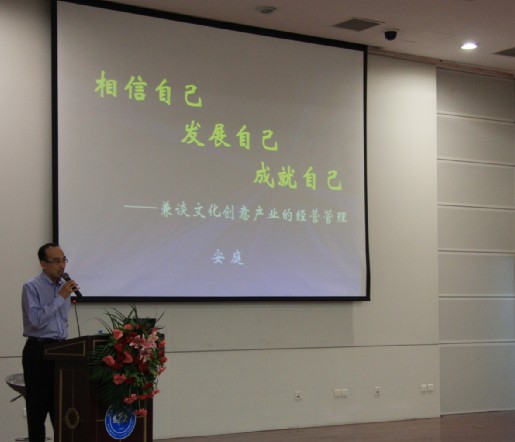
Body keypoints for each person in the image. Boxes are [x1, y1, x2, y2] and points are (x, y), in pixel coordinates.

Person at [21, 243, 79, 442]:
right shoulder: (31, 286)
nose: (62, 266)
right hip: (38, 350)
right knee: (37, 408)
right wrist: (60, 297)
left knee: (62, 406)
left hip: (61, 350)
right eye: (56, 261)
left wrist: (63, 295)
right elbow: (36, 321)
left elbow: (61, 321)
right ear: (43, 264)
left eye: (63, 260)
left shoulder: (64, 286)